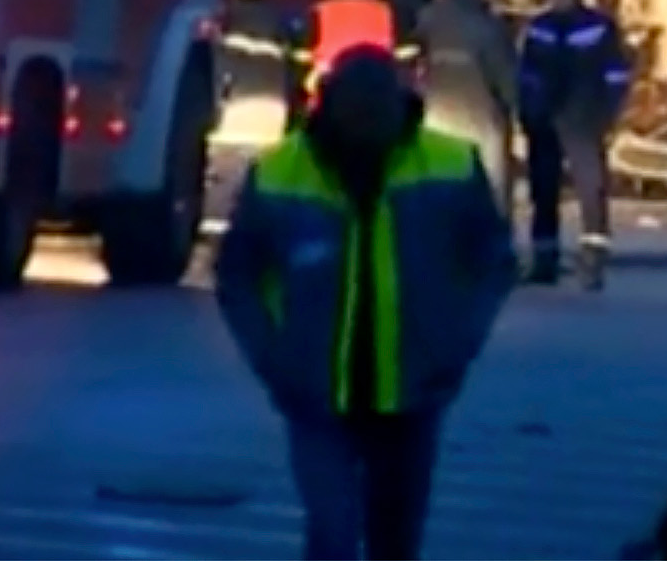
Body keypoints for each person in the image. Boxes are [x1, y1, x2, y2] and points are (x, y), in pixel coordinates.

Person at [214, 48, 517, 561]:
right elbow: (237, 272)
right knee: (332, 531)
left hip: (413, 389)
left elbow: (493, 260)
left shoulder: (448, 163)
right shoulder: (281, 170)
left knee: (395, 539)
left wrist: (456, 343)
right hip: (315, 391)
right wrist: (272, 356)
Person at [518, 0, 631, 289]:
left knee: (589, 188)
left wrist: (607, 115)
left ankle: (592, 256)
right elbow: (526, 75)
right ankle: (545, 257)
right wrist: (527, 112)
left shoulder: (594, 27)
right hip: (549, 119)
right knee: (545, 189)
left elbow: (616, 75)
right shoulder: (541, 28)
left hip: (581, 118)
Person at [416, 0, 519, 208]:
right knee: (491, 184)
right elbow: (504, 75)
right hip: (479, 116)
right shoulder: (488, 26)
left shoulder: (428, 17)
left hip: (435, 113)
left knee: (437, 181)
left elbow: (416, 62)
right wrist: (515, 106)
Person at [212, 0, 299, 196]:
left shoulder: (221, 19)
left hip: (225, 118)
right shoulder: (285, 23)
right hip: (272, 119)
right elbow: (295, 77)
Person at [293, 0, 419, 115]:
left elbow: (302, 51)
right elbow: (407, 48)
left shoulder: (318, 8)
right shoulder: (387, 8)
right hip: (379, 93)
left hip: (328, 98)